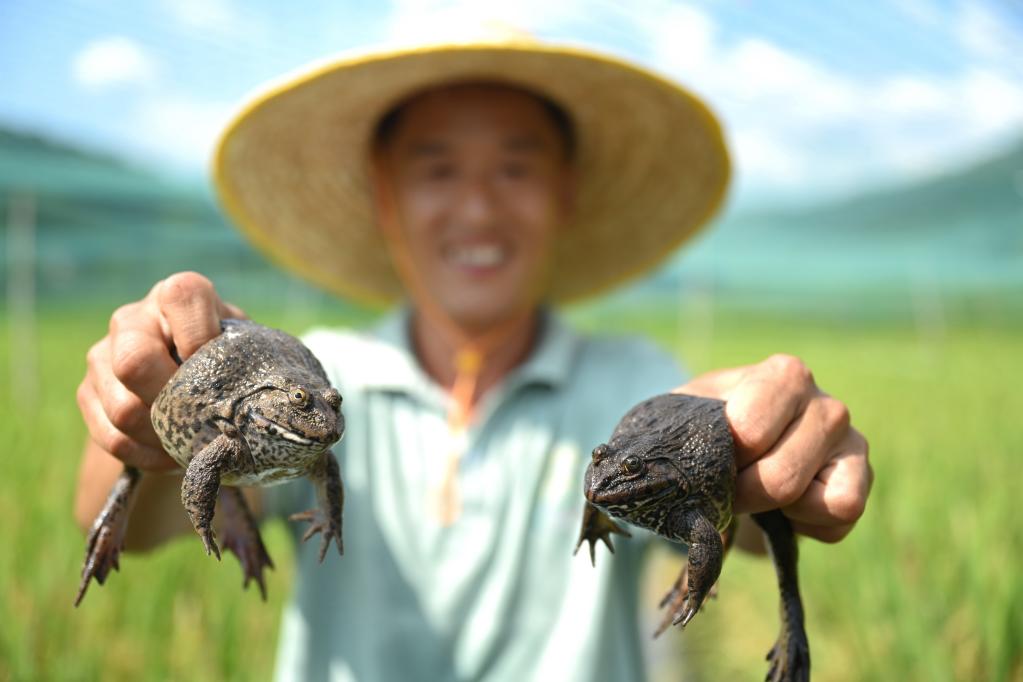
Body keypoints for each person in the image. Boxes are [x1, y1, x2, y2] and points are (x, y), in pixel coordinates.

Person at [74, 34, 872, 682]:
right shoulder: (330, 367)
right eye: (437, 167)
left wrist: (767, 453)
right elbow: (122, 521)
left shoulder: (633, 383)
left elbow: (739, 517)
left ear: (564, 193)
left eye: (516, 166)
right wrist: (145, 410)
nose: (479, 205)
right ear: (385, 196)